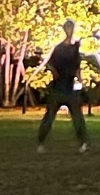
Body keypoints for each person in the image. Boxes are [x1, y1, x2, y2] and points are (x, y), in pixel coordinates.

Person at [37, 19, 89, 152]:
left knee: (77, 117)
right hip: (58, 88)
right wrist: (54, 71)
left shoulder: (74, 48)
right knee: (49, 117)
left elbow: (77, 68)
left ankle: (83, 142)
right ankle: (41, 142)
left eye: (71, 28)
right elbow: (50, 64)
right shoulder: (59, 48)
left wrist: (81, 81)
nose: (70, 31)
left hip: (69, 87)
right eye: (68, 28)